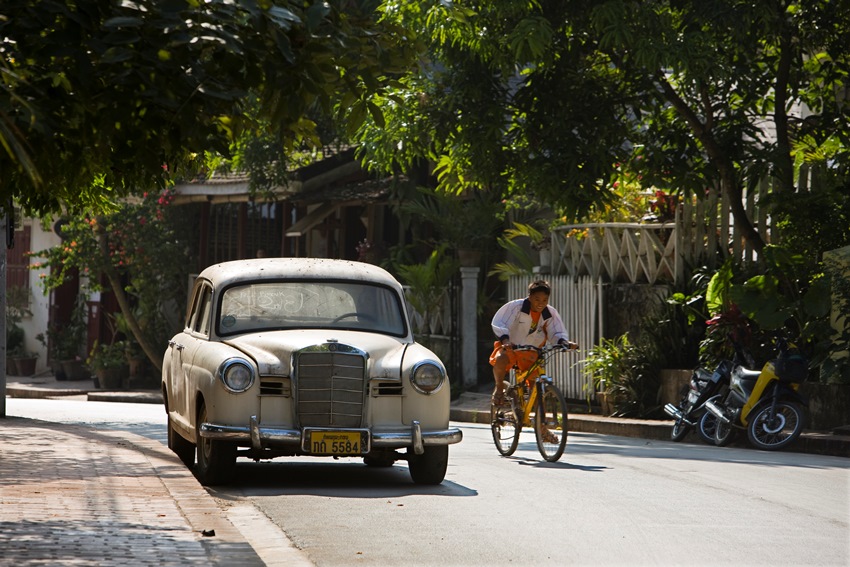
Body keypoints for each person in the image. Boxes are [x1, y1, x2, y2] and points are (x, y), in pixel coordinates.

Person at [489, 279, 577, 403]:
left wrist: (565, 343)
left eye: (545, 300)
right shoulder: (516, 307)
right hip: (512, 348)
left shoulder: (550, 313)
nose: (541, 303)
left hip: (533, 351)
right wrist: (505, 340)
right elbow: (500, 323)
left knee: (535, 387)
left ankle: (536, 417)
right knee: (501, 359)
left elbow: (556, 332)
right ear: (529, 297)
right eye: (537, 299)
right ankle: (499, 390)